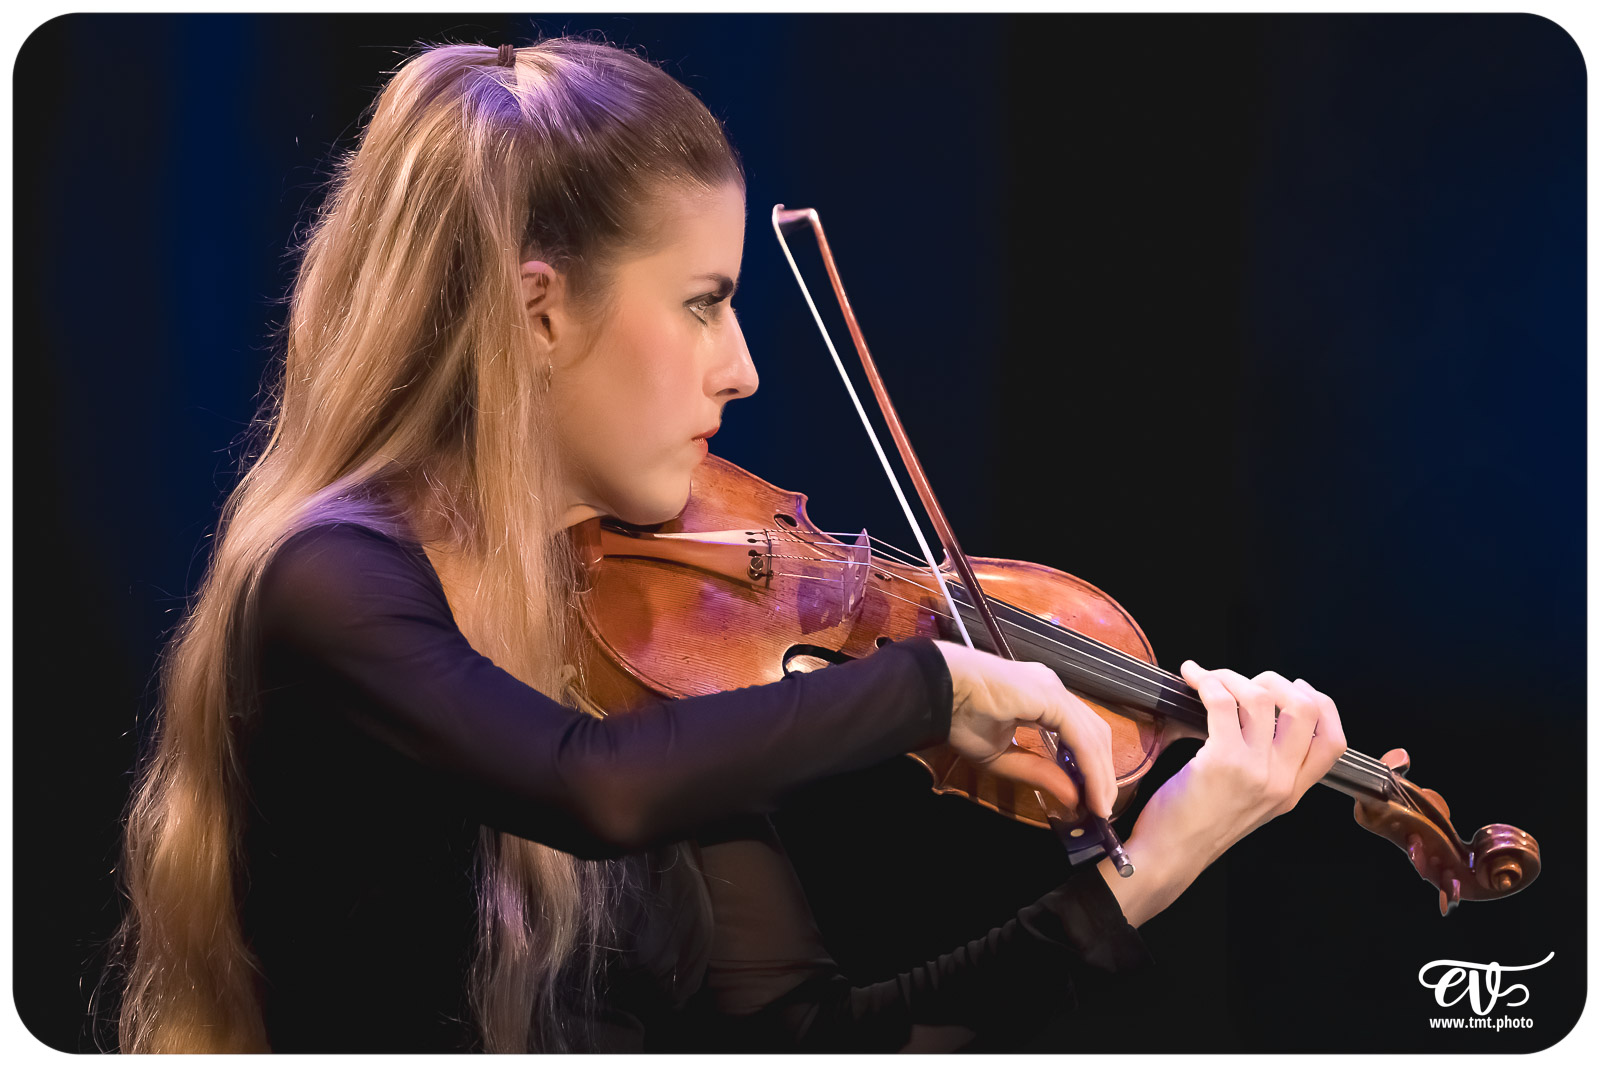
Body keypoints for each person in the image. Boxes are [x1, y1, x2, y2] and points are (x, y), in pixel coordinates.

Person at [105, 37, 1346, 1054]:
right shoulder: (332, 582)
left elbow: (808, 1040)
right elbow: (586, 783)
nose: (742, 365)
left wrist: (1162, 853)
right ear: (540, 310)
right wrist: (933, 681)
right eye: (703, 301)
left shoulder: (655, 650)